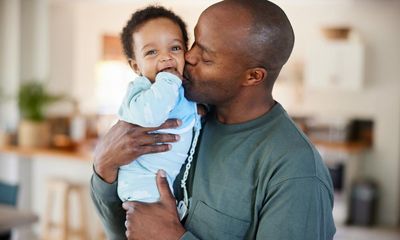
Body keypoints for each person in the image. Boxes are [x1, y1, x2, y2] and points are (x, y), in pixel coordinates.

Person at [90, 0, 336, 239]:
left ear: (252, 76)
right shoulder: (184, 115)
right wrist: (104, 166)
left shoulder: (295, 171)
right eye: (194, 43)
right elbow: (127, 229)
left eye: (206, 57)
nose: (187, 58)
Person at [115, 6, 202, 210]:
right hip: (142, 184)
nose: (166, 57)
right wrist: (169, 80)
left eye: (175, 48)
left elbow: (185, 113)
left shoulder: (181, 89)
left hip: (167, 181)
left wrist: (198, 111)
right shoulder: (141, 90)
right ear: (136, 66)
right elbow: (153, 115)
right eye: (152, 52)